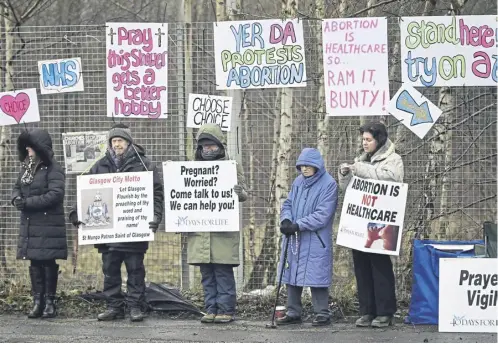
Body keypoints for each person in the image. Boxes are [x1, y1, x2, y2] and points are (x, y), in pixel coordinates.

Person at [69, 123, 164, 322]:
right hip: (107, 233)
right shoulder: (99, 165)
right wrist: (77, 213)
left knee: (135, 270)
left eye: (120, 140)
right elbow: (85, 192)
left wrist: (155, 218)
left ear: (128, 142)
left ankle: (135, 307)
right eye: (113, 141)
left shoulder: (144, 165)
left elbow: (156, 194)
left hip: (134, 230)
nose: (117, 144)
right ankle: (114, 306)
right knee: (110, 270)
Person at [338, 121, 404, 328]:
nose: (364, 143)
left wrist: (361, 169)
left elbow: (392, 181)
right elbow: (347, 189)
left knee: (379, 265)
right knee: (361, 266)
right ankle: (367, 310)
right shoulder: (360, 160)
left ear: (379, 140)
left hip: (382, 221)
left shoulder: (393, 159)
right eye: (363, 140)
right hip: (360, 220)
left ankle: (385, 312)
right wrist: (344, 175)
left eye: (368, 140)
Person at [187, 123, 248, 324]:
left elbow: (244, 193)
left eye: (212, 146)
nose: (208, 150)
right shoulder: (191, 170)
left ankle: (226, 310)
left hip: (222, 233)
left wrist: (240, 193)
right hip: (201, 233)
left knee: (223, 274)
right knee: (207, 275)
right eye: (204, 147)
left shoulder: (231, 166)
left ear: (220, 146)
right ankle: (211, 309)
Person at [276, 148, 338, 327]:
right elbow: (288, 203)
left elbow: (322, 215)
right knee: (292, 273)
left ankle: (322, 313)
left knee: (316, 275)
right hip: (296, 236)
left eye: (308, 165)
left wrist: (298, 225)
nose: (304, 169)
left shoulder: (329, 184)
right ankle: (293, 311)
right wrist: (286, 219)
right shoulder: (298, 182)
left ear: (317, 166)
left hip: (315, 238)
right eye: (301, 165)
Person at [12, 128, 67, 319]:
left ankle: (50, 302)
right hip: (30, 223)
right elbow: (17, 187)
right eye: (26, 146)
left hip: (48, 223)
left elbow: (55, 194)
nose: (27, 149)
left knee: (47, 261)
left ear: (39, 147)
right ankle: (38, 301)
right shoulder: (26, 167)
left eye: (31, 145)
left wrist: (27, 203)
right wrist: (16, 199)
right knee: (35, 261)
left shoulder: (53, 168)